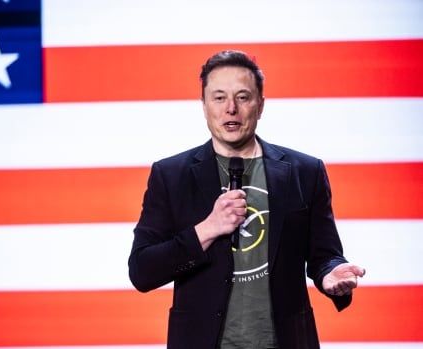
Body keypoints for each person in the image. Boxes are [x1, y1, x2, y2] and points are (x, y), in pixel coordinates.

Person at [128, 50, 365, 349]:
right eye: (218, 97)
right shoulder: (171, 175)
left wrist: (331, 272)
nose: (231, 109)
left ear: (260, 105)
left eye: (242, 97)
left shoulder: (305, 172)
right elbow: (142, 270)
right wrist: (208, 228)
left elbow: (324, 254)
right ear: (203, 106)